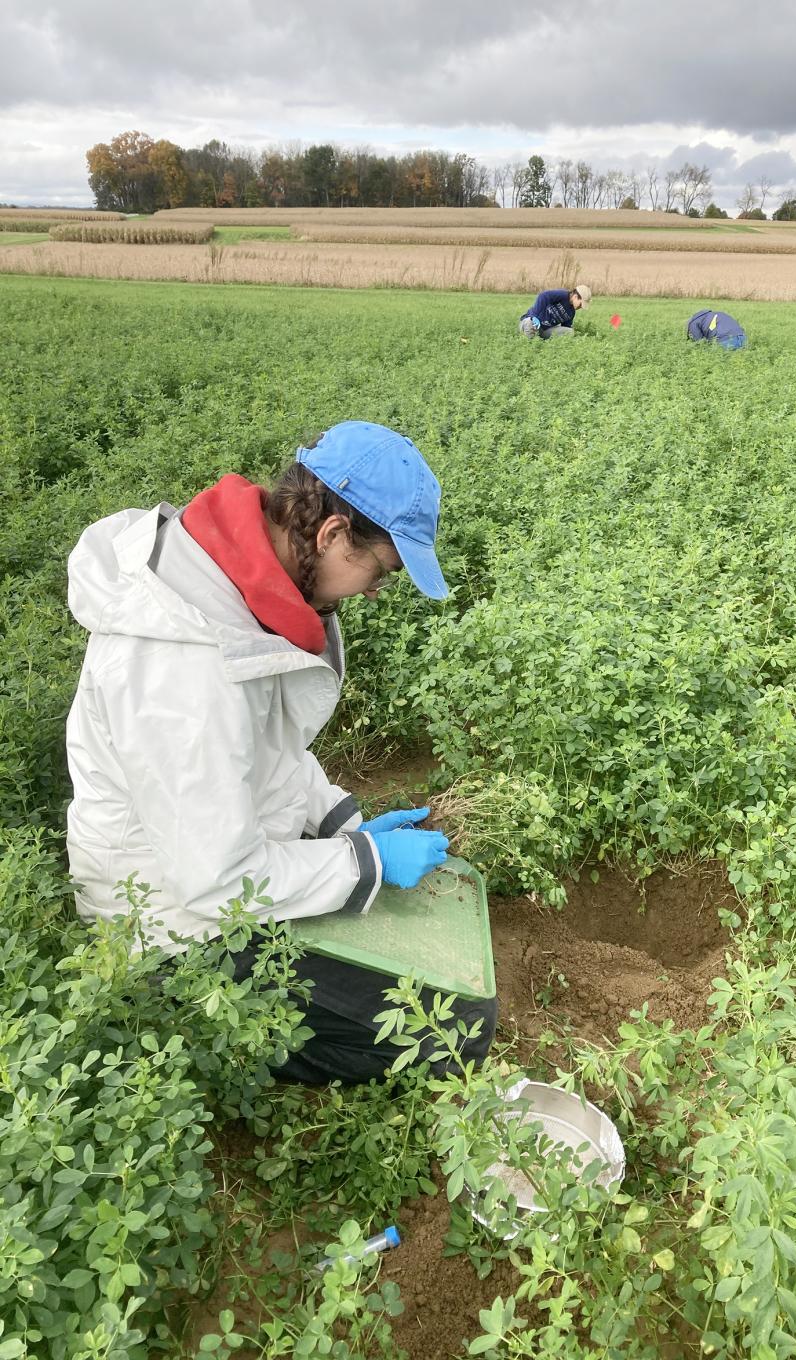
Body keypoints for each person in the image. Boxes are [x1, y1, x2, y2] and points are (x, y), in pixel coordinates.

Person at [65, 420, 497, 1085]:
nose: (374, 593)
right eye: (378, 570)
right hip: (167, 928)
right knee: (457, 1026)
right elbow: (214, 883)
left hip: (210, 863)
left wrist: (338, 822)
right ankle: (188, 1040)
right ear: (329, 535)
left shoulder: (235, 580)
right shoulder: (183, 665)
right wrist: (362, 865)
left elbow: (266, 745)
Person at [519, 283, 592, 338]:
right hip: (532, 323)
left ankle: (538, 341)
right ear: (576, 297)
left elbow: (566, 327)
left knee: (570, 332)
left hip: (544, 330)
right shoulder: (562, 295)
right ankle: (528, 341)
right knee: (529, 323)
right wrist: (534, 316)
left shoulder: (571, 312)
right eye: (581, 304)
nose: (581, 307)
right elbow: (543, 296)